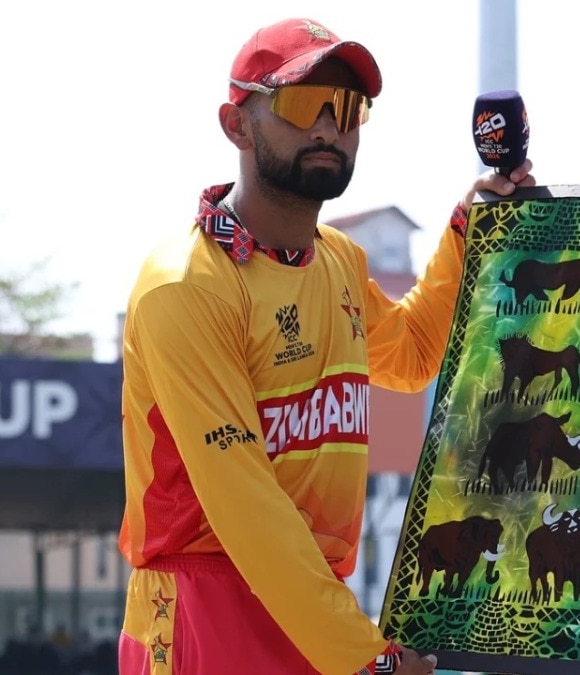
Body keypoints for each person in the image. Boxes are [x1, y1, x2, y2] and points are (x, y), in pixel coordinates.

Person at [115, 17, 534, 675]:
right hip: (202, 605)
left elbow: (411, 355)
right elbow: (244, 506)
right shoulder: (185, 283)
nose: (329, 128)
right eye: (304, 103)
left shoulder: (335, 259)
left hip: (311, 605)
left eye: (348, 109)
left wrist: (467, 229)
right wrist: (371, 660)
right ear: (236, 123)